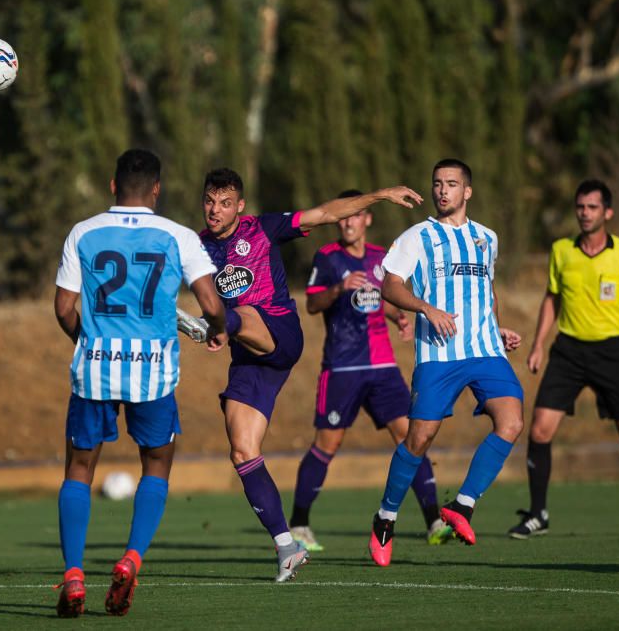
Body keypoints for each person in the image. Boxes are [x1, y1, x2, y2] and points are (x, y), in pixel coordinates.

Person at [198, 168, 422, 581]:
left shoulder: (263, 228)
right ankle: (287, 546)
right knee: (242, 449)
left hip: (278, 330)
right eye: (210, 202)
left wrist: (380, 193)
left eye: (225, 202)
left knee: (238, 314)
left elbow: (324, 213)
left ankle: (218, 324)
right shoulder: (197, 248)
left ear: (240, 206)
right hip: (248, 355)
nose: (215, 210)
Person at [52, 149, 226, 617]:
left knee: (79, 470)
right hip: (153, 375)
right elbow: (210, 302)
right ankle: (131, 559)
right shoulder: (179, 236)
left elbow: (64, 309)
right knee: (156, 466)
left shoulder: (83, 233)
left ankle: (72, 576)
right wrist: (219, 328)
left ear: (112, 186)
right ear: (156, 189)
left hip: (94, 370)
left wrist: (89, 341)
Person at [367, 158, 524, 567]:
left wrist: (497, 325)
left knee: (511, 421)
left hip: (485, 348)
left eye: (451, 184)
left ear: (467, 191)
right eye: (437, 183)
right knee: (419, 439)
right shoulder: (417, 236)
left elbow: (483, 291)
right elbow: (389, 286)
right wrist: (426, 308)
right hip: (439, 354)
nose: (442, 191)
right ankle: (385, 518)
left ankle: (463, 506)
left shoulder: (487, 238)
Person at [288, 189, 453, 552]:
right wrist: (338, 288)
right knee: (326, 445)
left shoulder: (382, 258)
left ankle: (434, 522)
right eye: (344, 216)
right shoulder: (328, 258)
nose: (348, 222)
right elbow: (313, 304)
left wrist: (400, 319)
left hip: (382, 367)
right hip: (343, 367)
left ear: (367, 219)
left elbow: (386, 300)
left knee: (413, 437)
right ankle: (298, 525)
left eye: (355, 216)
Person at [508, 179, 619, 539]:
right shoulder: (561, 250)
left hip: (612, 352)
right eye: (580, 207)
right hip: (568, 351)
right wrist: (538, 344)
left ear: (607, 212)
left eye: (592, 207)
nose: (584, 213)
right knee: (538, 429)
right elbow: (552, 298)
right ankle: (538, 515)